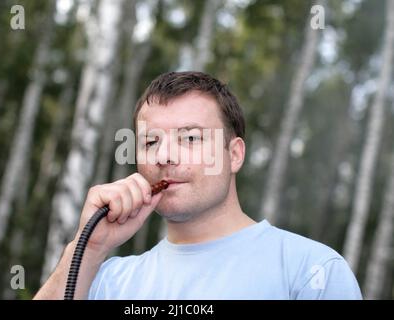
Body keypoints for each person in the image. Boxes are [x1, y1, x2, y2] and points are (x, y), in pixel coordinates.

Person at [34, 71, 362, 300]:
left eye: (190, 138)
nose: (164, 155)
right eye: (150, 142)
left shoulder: (311, 272)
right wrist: (87, 250)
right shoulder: (105, 280)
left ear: (234, 155)